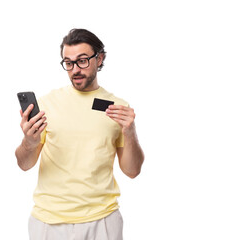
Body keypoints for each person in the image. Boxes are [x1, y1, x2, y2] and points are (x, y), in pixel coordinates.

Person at [15, 28, 144, 240]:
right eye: (68, 62)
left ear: (99, 58)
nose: (75, 69)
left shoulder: (118, 108)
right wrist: (29, 142)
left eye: (82, 61)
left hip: (102, 220)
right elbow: (24, 164)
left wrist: (130, 132)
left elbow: (132, 171)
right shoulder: (47, 105)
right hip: (48, 221)